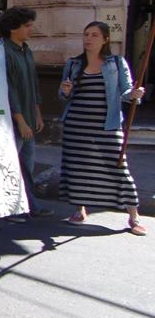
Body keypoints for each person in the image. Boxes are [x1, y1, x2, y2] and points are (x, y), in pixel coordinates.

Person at [59, 21, 147, 235]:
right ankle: (80, 210)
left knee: (119, 168)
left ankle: (134, 217)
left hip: (107, 126)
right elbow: (63, 96)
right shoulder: (73, 64)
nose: (88, 38)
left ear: (105, 39)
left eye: (95, 35)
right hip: (76, 125)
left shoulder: (116, 63)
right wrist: (66, 90)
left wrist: (135, 94)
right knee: (77, 168)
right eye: (86, 34)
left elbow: (126, 91)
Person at [0, 7, 53, 222]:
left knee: (27, 165)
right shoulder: (4, 52)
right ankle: (9, 208)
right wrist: (20, 119)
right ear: (14, 28)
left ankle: (29, 204)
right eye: (27, 25)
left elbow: (33, 84)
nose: (32, 29)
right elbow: (9, 88)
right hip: (15, 121)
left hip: (29, 118)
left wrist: (37, 113)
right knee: (11, 165)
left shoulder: (26, 50)